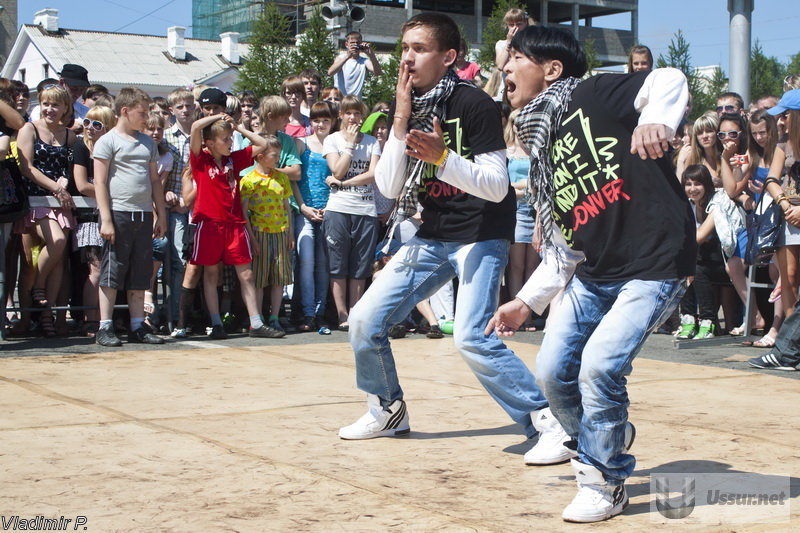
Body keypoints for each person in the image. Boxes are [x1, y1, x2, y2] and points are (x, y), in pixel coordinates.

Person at [339, 14, 571, 470]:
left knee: (470, 337)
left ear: (448, 57)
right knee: (364, 319)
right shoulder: (407, 107)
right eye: (404, 48)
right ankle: (386, 409)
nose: (407, 58)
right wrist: (401, 117)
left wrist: (443, 157)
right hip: (434, 233)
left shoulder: (473, 103)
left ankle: (549, 421)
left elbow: (496, 186)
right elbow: (388, 187)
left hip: (482, 233)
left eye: (419, 48)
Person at [490, 25, 692, 522]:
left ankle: (604, 479)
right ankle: (608, 434)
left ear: (552, 69)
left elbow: (669, 77)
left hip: (654, 261)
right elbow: (565, 245)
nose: (505, 67)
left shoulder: (591, 93)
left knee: (599, 367)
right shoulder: (542, 148)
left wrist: (657, 120)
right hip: (595, 270)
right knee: (552, 372)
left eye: (515, 58)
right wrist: (526, 301)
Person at [188, 113, 283, 338]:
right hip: (209, 225)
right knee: (211, 274)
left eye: (230, 138)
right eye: (225, 139)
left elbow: (262, 144)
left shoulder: (234, 159)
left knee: (247, 274)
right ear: (210, 143)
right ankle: (216, 323)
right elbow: (195, 127)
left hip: (234, 225)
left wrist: (238, 128)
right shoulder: (200, 159)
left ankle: (256, 323)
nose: (230, 142)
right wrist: (215, 117)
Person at [93, 87, 168, 346]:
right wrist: (106, 219)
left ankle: (137, 325)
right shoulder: (108, 141)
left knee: (140, 271)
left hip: (143, 214)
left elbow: (155, 180)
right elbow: (100, 182)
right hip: (118, 213)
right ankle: (105, 326)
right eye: (142, 113)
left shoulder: (147, 143)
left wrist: (160, 214)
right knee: (112, 271)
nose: (146, 118)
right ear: (125, 111)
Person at [15, 85, 77, 337]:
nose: (50, 109)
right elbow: (26, 167)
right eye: (45, 104)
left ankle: (47, 315)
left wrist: (65, 180)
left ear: (65, 108)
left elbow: (72, 168)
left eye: (55, 104)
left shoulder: (69, 135)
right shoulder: (29, 129)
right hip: (35, 201)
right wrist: (55, 187)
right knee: (42, 253)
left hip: (60, 203)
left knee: (59, 262)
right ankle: (35, 294)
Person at [322, 96, 380, 330]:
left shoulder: (372, 141)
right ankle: (341, 314)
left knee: (360, 267)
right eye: (348, 113)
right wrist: (349, 145)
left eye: (357, 113)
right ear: (341, 115)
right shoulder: (332, 140)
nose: (353, 118)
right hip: (339, 209)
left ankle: (355, 312)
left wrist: (344, 183)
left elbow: (373, 173)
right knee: (337, 265)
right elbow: (337, 170)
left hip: (365, 209)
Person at [240, 135, 294, 334]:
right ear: (260, 156)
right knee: (260, 279)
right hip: (260, 232)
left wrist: (290, 233)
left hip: (279, 232)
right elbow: (244, 212)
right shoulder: (249, 180)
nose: (278, 159)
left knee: (279, 278)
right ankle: (259, 318)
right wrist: (252, 238)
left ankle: (275, 316)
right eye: (274, 155)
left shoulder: (281, 178)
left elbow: (287, 207)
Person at [72, 106, 116, 338]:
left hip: (111, 214)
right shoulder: (81, 147)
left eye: (96, 124)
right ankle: (90, 320)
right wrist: (110, 192)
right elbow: (81, 185)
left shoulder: (112, 149)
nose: (89, 128)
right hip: (89, 217)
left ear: (107, 128)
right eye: (87, 122)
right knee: (96, 270)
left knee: (109, 270)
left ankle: (105, 320)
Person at [293, 101, 334, 332]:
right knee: (306, 262)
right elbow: (294, 179)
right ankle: (307, 312)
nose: (321, 124)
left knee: (323, 266)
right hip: (305, 211)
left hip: (329, 211)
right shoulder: (302, 143)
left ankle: (320, 313)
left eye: (325, 120)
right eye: (317, 120)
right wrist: (302, 206)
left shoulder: (336, 144)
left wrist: (330, 207)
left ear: (332, 122)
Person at [676, 165, 727, 339]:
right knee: (684, 265)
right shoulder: (687, 205)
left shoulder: (716, 203)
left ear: (706, 184)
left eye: (697, 184)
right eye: (688, 184)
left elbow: (698, 236)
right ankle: (688, 318)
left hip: (723, 260)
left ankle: (708, 320)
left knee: (695, 268)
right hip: (700, 258)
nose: (692, 189)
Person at [164, 87, 196, 332]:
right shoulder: (165, 137)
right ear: (172, 110)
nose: (185, 110)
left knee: (193, 263)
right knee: (175, 260)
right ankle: (173, 315)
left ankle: (188, 315)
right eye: (180, 107)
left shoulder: (201, 134)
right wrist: (167, 196)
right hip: (172, 206)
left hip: (195, 205)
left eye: (188, 105)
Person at [328, 31, 383, 99]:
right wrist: (347, 57)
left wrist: (371, 55)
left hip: (355, 100)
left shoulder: (364, 61)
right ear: (346, 44)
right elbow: (330, 72)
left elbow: (378, 73)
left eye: (357, 43)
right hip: (340, 99)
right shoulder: (340, 58)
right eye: (352, 43)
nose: (355, 46)